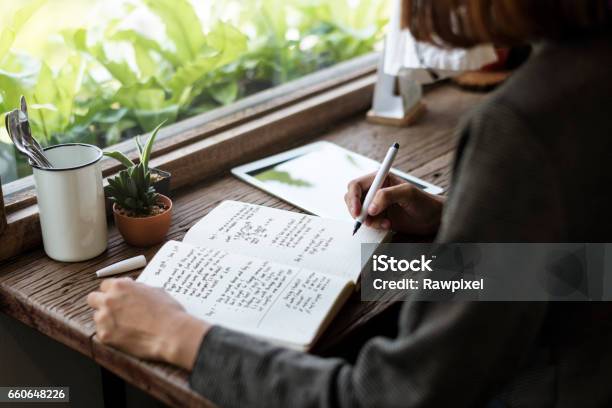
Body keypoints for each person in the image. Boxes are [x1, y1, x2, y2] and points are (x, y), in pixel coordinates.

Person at [87, 1, 612, 406]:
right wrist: (454, 222)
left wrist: (182, 336)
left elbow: (390, 398)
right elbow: (589, 274)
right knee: (376, 272)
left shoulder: (522, 125)